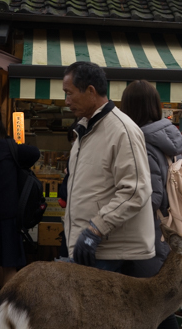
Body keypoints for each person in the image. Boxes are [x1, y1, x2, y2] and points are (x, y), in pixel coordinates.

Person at [62, 61, 154, 274]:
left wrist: (96, 229)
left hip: (111, 253)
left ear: (91, 91)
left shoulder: (122, 130)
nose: (66, 101)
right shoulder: (85, 130)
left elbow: (135, 190)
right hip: (92, 251)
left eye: (70, 93)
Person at [120, 79, 182, 329]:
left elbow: (151, 196)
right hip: (164, 229)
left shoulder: (143, 142)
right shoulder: (167, 139)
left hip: (146, 234)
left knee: (150, 307)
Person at [0, 108, 40, 326]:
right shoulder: (7, 147)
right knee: (8, 266)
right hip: (7, 218)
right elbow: (34, 153)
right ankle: (6, 311)